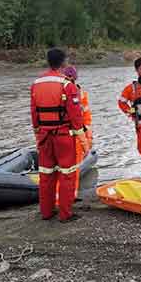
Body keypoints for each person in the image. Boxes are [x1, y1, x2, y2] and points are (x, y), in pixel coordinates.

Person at [30, 49, 90, 222]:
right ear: (63, 62)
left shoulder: (36, 84)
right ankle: (65, 214)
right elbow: (75, 117)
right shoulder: (67, 85)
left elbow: (34, 114)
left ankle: (46, 212)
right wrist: (84, 141)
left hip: (44, 137)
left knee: (46, 175)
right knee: (67, 174)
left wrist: (37, 135)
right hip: (63, 137)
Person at [58, 65, 93, 201]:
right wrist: (87, 139)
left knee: (70, 169)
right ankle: (68, 197)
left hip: (70, 135)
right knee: (69, 169)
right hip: (74, 135)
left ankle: (70, 196)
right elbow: (86, 119)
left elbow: (86, 118)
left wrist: (87, 138)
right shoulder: (79, 93)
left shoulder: (61, 92)